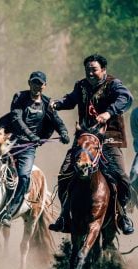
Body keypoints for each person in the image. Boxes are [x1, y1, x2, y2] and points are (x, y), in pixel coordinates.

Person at [49, 54, 134, 234]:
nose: (90, 73)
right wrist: (57, 104)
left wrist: (109, 113)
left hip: (109, 138)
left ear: (103, 70)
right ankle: (65, 215)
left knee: (122, 178)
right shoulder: (81, 86)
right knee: (64, 173)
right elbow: (70, 100)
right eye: (87, 69)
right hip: (85, 139)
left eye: (94, 69)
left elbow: (126, 98)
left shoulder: (114, 84)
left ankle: (122, 214)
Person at [0, 71, 70, 227]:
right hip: (9, 141)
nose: (37, 86)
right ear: (29, 83)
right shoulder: (19, 97)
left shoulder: (47, 103)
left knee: (24, 176)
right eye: (34, 82)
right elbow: (16, 118)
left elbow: (57, 121)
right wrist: (31, 135)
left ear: (44, 86)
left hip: (28, 148)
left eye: (40, 83)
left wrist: (64, 133)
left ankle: (9, 212)